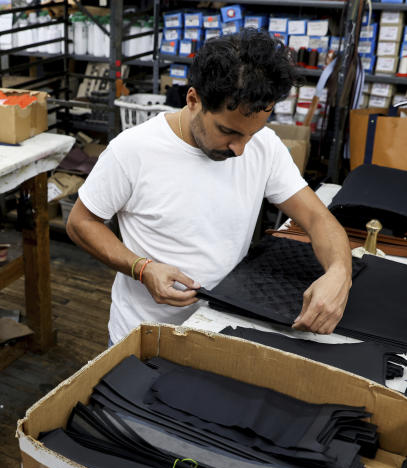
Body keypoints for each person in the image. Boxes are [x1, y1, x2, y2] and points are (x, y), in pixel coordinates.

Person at [66, 29, 352, 345]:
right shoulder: (133, 151)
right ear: (193, 100)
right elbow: (81, 222)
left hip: (223, 326)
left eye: (252, 134)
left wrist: (339, 272)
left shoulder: (264, 147)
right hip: (144, 338)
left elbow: (317, 218)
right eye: (228, 132)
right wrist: (141, 268)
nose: (240, 149)